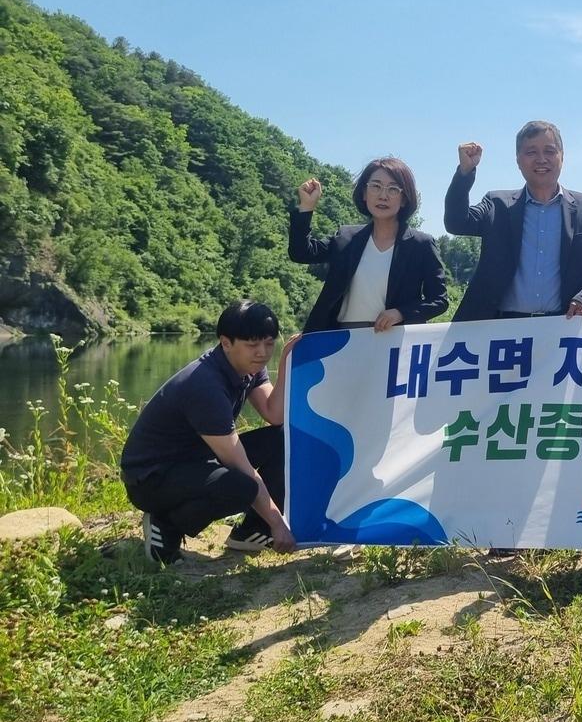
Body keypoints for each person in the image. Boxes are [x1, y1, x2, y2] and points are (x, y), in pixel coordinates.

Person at [120, 301, 298, 565]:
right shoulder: (205, 385)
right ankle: (165, 524)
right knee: (242, 486)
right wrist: (278, 522)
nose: (262, 353)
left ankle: (251, 532)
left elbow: (274, 414)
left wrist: (286, 363)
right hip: (151, 478)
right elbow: (238, 463)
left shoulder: (248, 366)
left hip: (193, 461)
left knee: (283, 438)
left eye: (269, 343)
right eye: (252, 344)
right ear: (226, 343)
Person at [444, 120, 582, 321]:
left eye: (549, 151)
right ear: (518, 160)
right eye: (531, 152)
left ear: (562, 156)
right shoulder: (497, 204)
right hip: (499, 327)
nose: (541, 159)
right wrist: (465, 173)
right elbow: (456, 223)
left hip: (561, 326)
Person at [291, 157, 449, 332]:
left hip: (393, 341)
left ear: (404, 198)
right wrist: (307, 206)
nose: (383, 195)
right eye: (375, 186)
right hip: (339, 340)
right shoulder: (346, 238)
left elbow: (439, 300)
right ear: (364, 194)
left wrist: (400, 313)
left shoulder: (420, 245)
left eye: (393, 189)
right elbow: (301, 253)